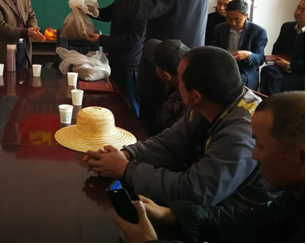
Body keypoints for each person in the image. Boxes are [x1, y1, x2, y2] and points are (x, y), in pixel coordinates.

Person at [84, 46, 273, 209]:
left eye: (180, 80)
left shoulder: (243, 132)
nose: (175, 84)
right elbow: (170, 142)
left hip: (237, 216)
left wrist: (126, 169)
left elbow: (196, 191)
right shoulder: (211, 102)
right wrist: (125, 155)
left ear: (196, 96)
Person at [112, 91, 304, 243]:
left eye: (260, 146)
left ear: (301, 156)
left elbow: (197, 191)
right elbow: (251, 221)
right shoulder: (292, 199)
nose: (254, 155)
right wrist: (171, 214)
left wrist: (148, 242)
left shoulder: (237, 133)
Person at [106, 0, 210, 122]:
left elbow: (137, 9)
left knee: (154, 123)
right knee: (182, 123)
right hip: (188, 64)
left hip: (164, 68)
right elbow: (173, 4)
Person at [85, 0, 146, 116]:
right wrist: (86, 9)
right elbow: (104, 14)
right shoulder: (121, 2)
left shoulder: (140, 6)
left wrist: (100, 39)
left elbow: (131, 40)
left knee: (129, 104)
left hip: (129, 65)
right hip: (115, 60)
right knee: (116, 102)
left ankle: (134, 129)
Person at [211, 0, 268, 90]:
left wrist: (248, 55)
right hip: (223, 67)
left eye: (237, 19)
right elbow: (215, 50)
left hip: (244, 70)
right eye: (229, 18)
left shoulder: (258, 31)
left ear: (246, 16)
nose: (233, 23)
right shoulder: (220, 29)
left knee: (232, 84)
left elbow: (260, 59)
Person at [142, 39, 189, 132]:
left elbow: (176, 137)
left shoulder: (189, 105)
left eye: (155, 65)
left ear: (166, 75)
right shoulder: (172, 87)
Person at [261, 0, 305, 94]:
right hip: (283, 67)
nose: (298, 12)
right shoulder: (287, 26)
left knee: (274, 82)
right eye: (298, 8)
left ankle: (270, 102)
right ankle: (270, 101)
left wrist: (289, 65)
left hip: (302, 73)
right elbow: (277, 48)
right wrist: (283, 64)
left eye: (303, 10)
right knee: (267, 70)